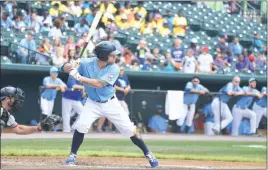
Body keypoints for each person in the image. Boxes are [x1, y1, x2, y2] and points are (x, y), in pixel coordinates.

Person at [62, 41, 159, 168]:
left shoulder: (114, 68)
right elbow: (64, 68)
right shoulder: (85, 63)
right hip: (92, 103)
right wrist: (71, 66)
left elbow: (98, 83)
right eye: (112, 55)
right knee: (81, 126)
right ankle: (72, 155)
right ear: (103, 56)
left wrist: (79, 77)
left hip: (110, 103)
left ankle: (148, 153)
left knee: (129, 130)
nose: (115, 57)